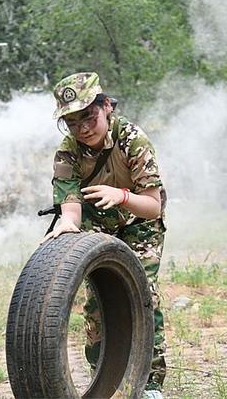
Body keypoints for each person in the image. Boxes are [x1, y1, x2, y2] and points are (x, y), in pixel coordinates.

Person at [44, 72, 167, 397]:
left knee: (144, 296)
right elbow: (71, 207)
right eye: (71, 122)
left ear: (107, 106)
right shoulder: (67, 152)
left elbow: (153, 205)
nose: (82, 128)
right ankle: (107, 373)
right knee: (98, 304)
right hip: (97, 223)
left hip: (139, 222)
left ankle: (150, 383)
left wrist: (122, 196)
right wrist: (67, 224)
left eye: (89, 116)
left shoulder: (133, 140)